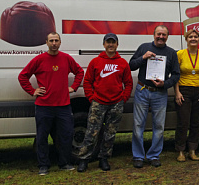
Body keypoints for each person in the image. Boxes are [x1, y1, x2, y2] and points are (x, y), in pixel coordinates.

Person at [18, 32, 84, 176]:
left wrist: (73, 87)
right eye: (51, 41)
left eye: (56, 40)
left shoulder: (66, 58)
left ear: (60, 42)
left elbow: (79, 72)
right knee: (42, 137)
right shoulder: (39, 60)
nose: (54, 43)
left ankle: (64, 163)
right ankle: (43, 165)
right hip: (44, 106)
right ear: (46, 43)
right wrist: (32, 91)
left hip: (63, 106)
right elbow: (23, 76)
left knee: (66, 135)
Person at [77, 33, 133, 172]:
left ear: (117, 45)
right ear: (104, 45)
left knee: (110, 134)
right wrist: (91, 98)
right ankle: (84, 159)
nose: (110, 45)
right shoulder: (95, 62)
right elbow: (88, 82)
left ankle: (104, 158)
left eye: (113, 42)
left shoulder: (123, 63)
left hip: (116, 104)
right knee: (91, 133)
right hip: (98, 103)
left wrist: (123, 99)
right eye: (108, 42)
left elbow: (128, 83)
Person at [130, 25, 180, 168]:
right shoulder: (143, 47)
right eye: (159, 34)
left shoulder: (171, 53)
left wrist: (164, 84)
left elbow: (176, 75)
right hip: (142, 90)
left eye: (164, 35)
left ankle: (153, 155)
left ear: (167, 37)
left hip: (160, 93)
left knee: (159, 126)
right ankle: (138, 156)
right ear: (154, 35)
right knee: (138, 125)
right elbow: (131, 65)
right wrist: (143, 57)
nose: (161, 37)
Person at [174, 29, 199, 162]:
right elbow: (175, 75)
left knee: (196, 122)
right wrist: (177, 92)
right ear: (186, 39)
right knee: (183, 122)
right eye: (190, 37)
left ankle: (192, 150)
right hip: (184, 91)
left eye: (196, 36)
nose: (193, 39)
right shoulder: (180, 54)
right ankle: (180, 151)